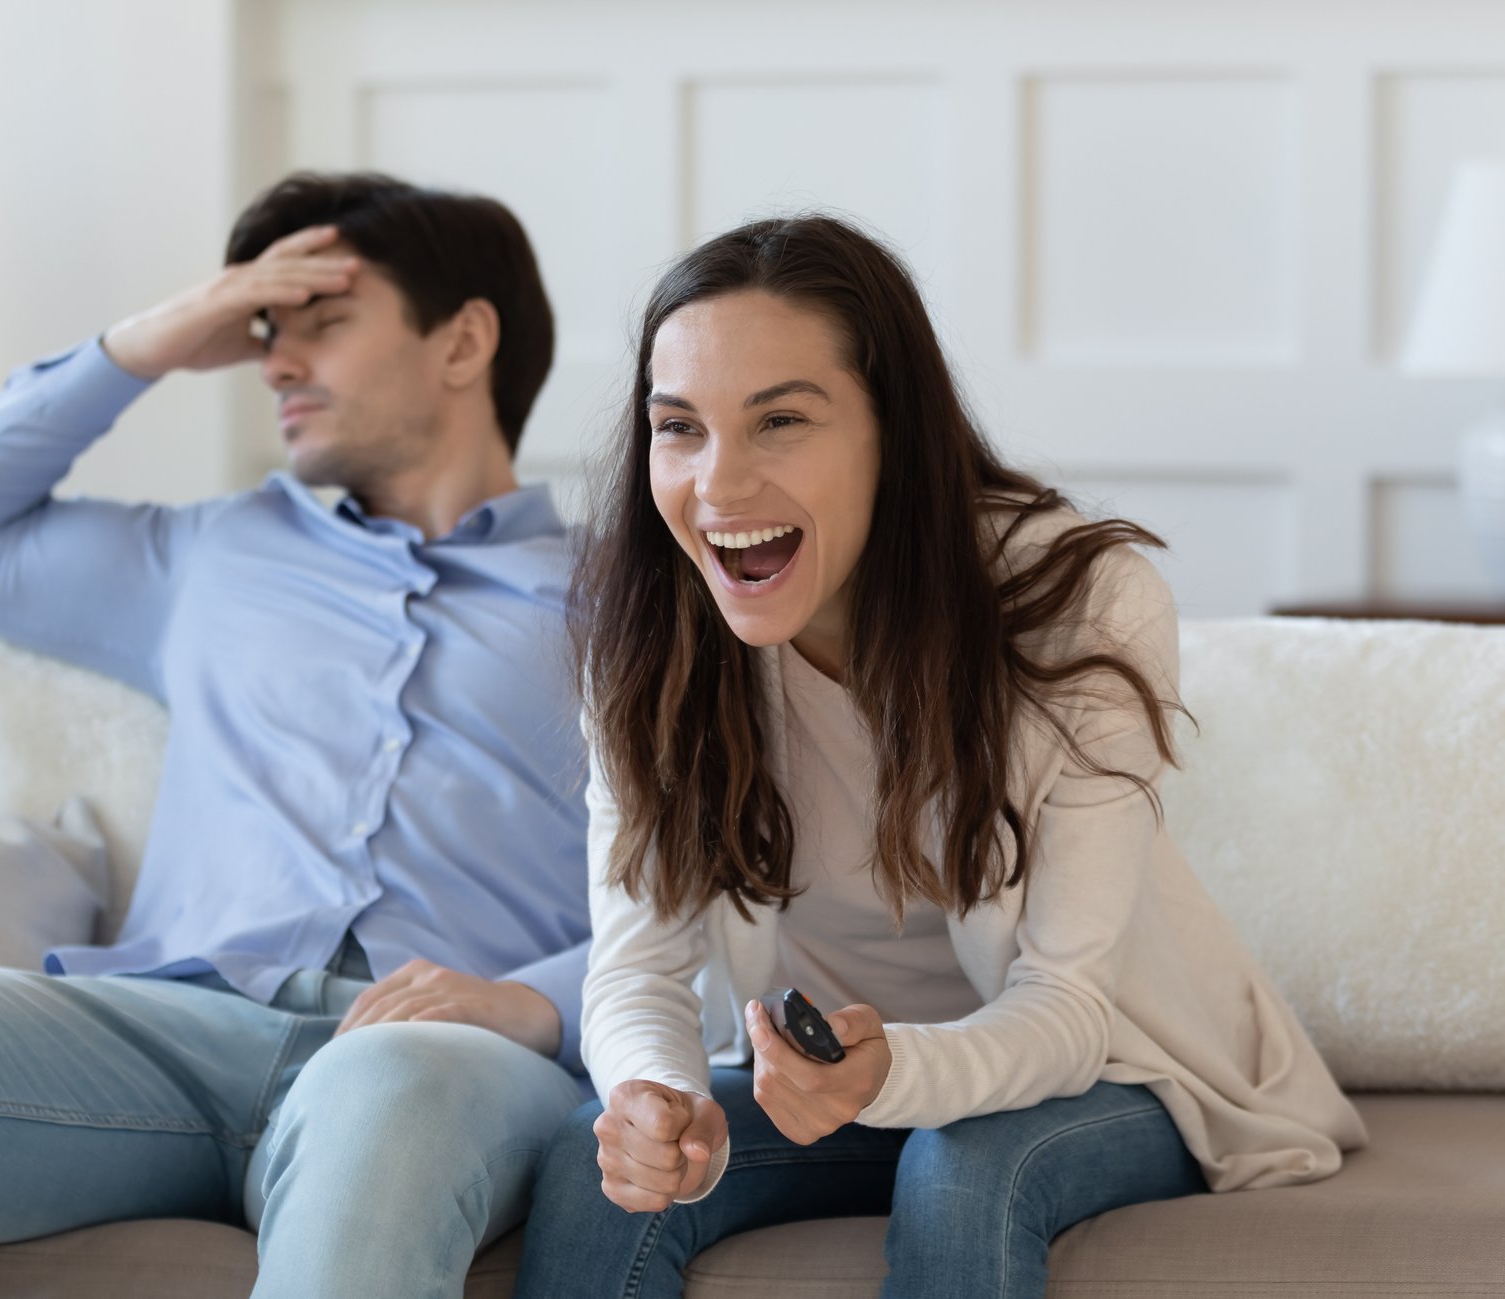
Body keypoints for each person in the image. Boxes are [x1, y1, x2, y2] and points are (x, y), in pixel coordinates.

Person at [0, 172, 593, 1299]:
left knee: (388, 1089)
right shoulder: (209, 558)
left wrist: (538, 1002)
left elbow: (729, 893)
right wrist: (149, 344)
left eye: (321, 323)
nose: (274, 361)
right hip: (171, 1032)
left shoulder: (630, 597)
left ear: (463, 341)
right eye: (262, 330)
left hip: (448, 1050)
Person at [514, 215, 1367, 1298]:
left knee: (960, 1165)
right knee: (590, 1173)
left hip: (1104, 1072)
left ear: (892, 431)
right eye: (678, 428)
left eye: (779, 419)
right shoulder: (653, 633)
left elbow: (1065, 1008)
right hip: (831, 1090)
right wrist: (651, 1097)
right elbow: (637, 965)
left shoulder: (1073, 607)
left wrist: (897, 1073)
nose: (717, 486)